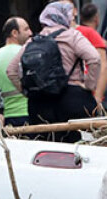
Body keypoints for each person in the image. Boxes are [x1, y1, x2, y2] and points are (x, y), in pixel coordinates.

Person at [7, 1, 100, 143]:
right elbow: (94, 58)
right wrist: (89, 85)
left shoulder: (33, 41)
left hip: (39, 104)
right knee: (82, 147)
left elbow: (11, 70)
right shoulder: (72, 36)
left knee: (47, 149)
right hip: (72, 99)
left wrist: (26, 91)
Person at [0, 17, 33, 126]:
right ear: (14, 33)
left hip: (4, 117)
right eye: (26, 29)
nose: (30, 33)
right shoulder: (27, 53)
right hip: (27, 113)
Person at [76, 2, 107, 105]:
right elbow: (104, 65)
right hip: (93, 91)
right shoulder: (92, 34)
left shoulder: (75, 32)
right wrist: (98, 96)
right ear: (96, 18)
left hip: (78, 90)